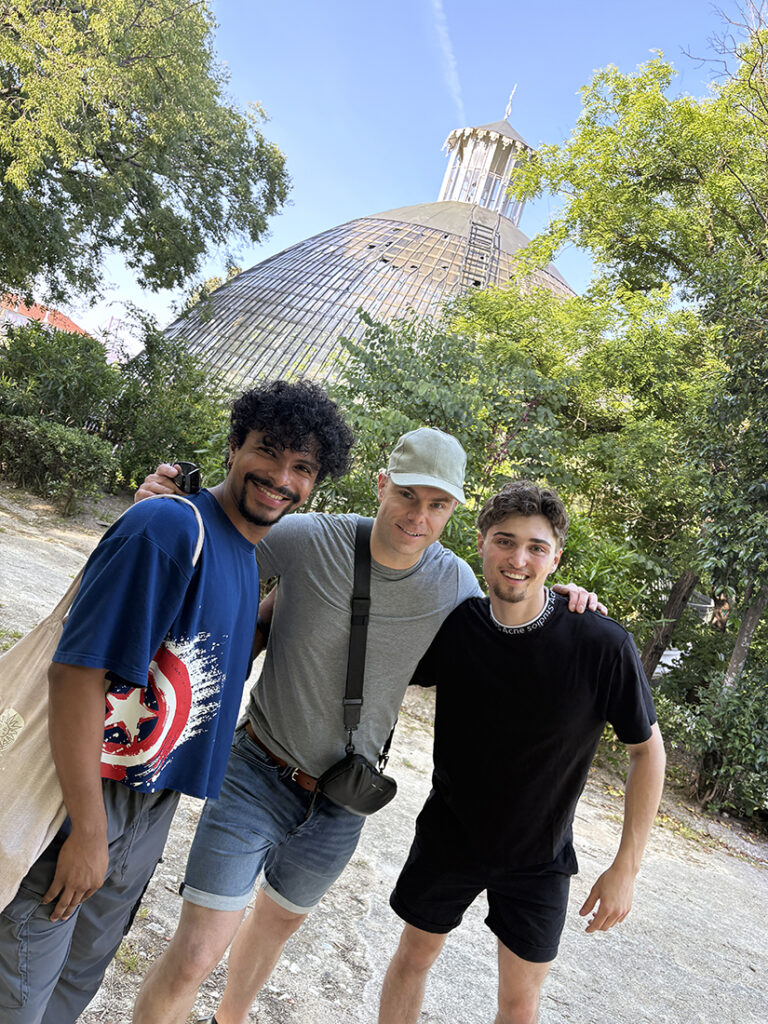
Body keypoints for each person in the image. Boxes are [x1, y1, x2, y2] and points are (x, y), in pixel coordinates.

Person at [131, 430, 601, 1024]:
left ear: (454, 511)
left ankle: (232, 1016)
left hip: (342, 801)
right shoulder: (306, 539)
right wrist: (162, 505)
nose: (418, 515)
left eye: (438, 504)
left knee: (275, 926)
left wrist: (569, 604)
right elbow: (210, 548)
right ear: (382, 485)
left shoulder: (455, 585)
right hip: (257, 770)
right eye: (407, 495)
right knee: (196, 952)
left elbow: (515, 606)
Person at [0, 379, 354, 1024]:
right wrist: (88, 829)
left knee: (77, 983)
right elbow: (76, 676)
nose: (280, 476)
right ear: (232, 447)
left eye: (302, 467)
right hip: (83, 791)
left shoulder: (247, 559)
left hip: (150, 800)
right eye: (267, 452)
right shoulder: (167, 525)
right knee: (20, 986)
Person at [378, 480, 666, 1024]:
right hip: (448, 837)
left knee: (519, 1001)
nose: (518, 558)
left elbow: (647, 751)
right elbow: (382, 652)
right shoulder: (455, 626)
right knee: (413, 957)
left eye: (536, 547)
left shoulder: (601, 644)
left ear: (556, 558)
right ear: (482, 543)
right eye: (505, 541)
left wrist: (626, 867)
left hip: (541, 858)